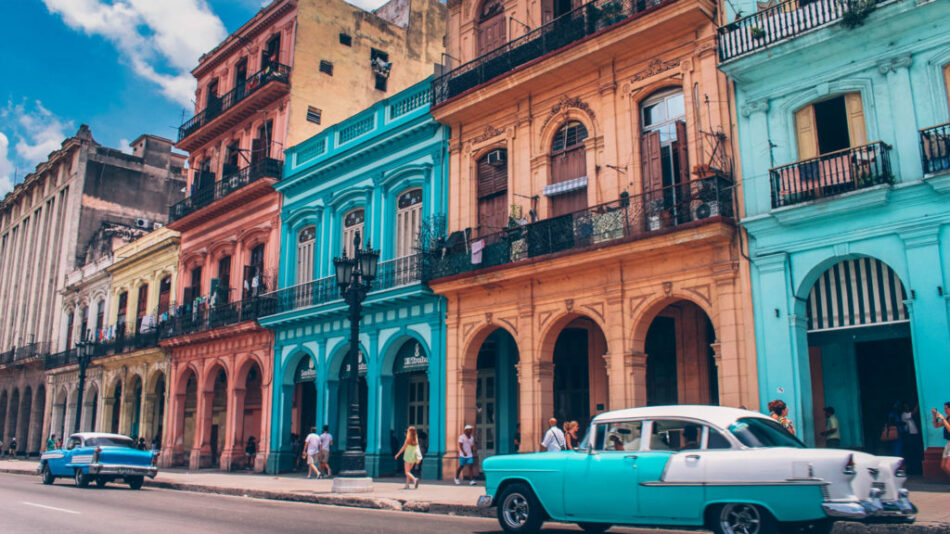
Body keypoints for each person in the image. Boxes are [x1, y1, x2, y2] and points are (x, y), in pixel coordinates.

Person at [901, 403, 923, 474]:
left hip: (914, 436)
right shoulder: (904, 415)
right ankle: (912, 469)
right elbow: (914, 412)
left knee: (916, 451)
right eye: (906, 406)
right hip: (910, 436)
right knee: (911, 452)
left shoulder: (908, 414)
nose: (907, 407)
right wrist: (917, 404)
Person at [932, 402, 950, 478]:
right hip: (948, 442)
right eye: (944, 408)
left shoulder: (945, 419)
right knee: (943, 466)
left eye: (946, 408)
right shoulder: (947, 418)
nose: (945, 410)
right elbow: (936, 425)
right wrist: (934, 416)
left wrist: (943, 418)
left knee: (947, 465)